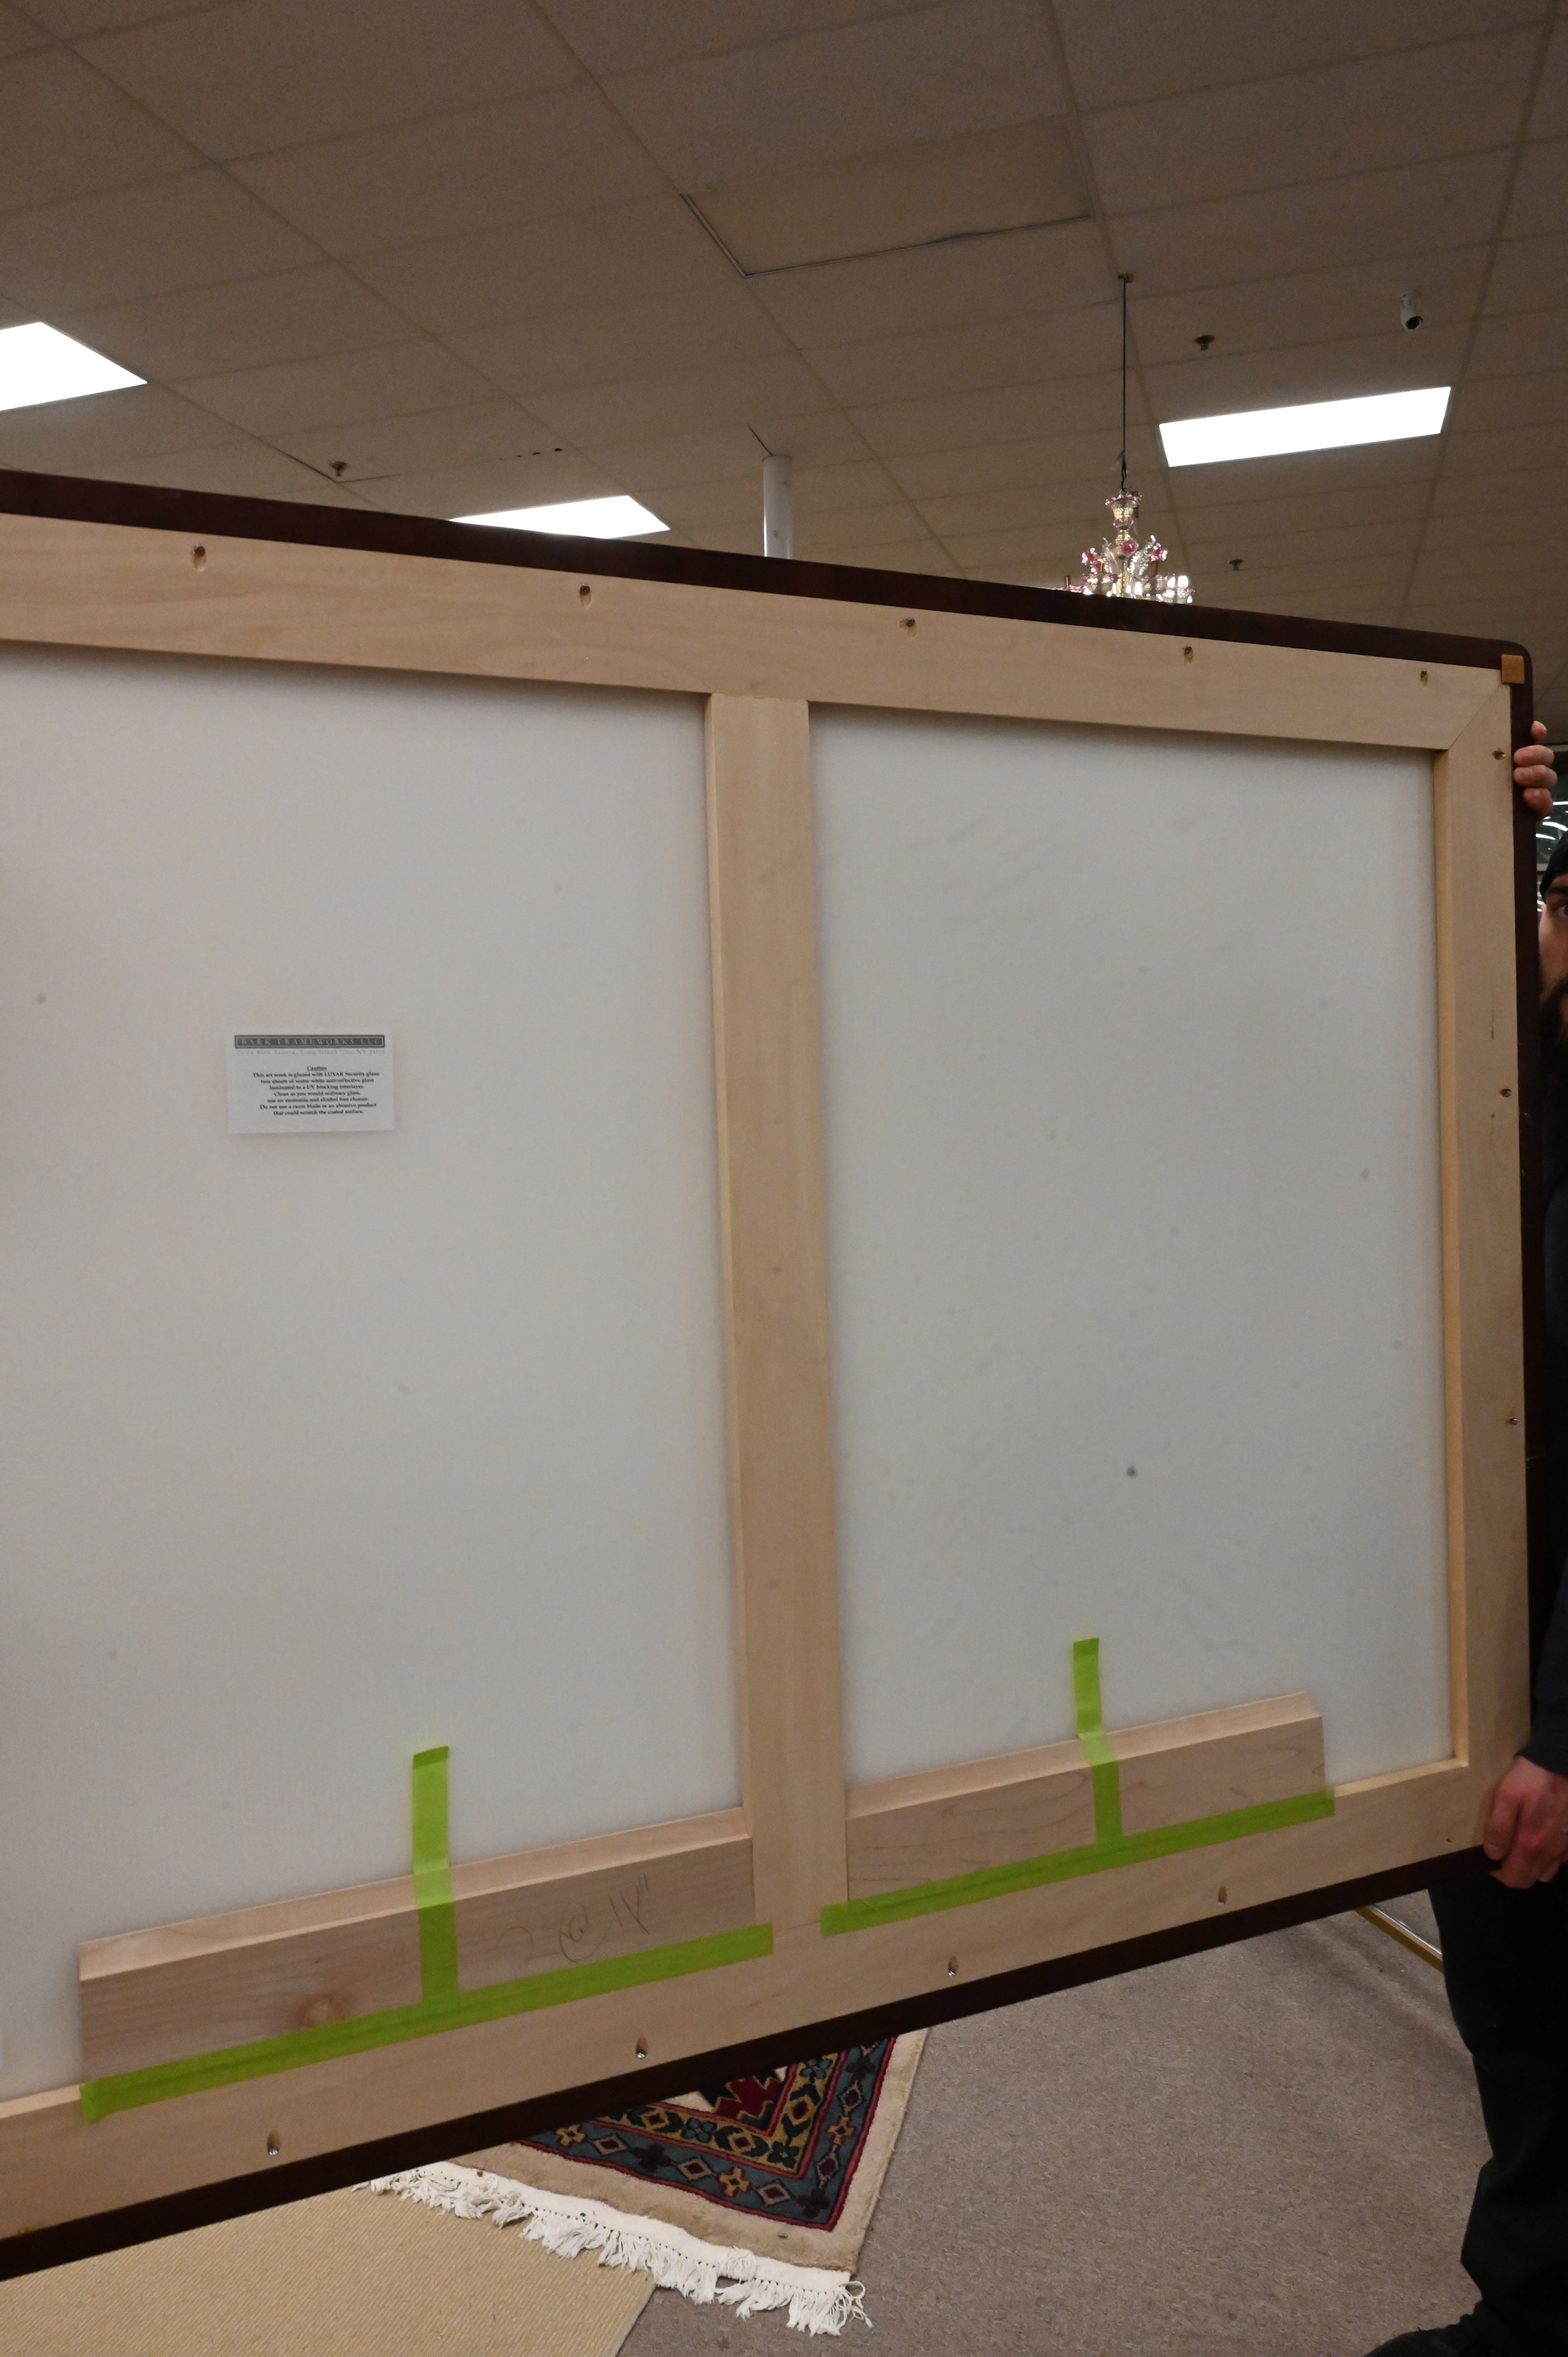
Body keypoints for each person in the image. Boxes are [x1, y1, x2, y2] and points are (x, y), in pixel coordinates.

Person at [1370, 719, 1568, 2357]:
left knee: (1547, 2024)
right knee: (1514, 2015)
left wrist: (1563, 1737)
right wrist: (1487, 818)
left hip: (1554, 1706)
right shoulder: (1546, 1093)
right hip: (1504, 1652)